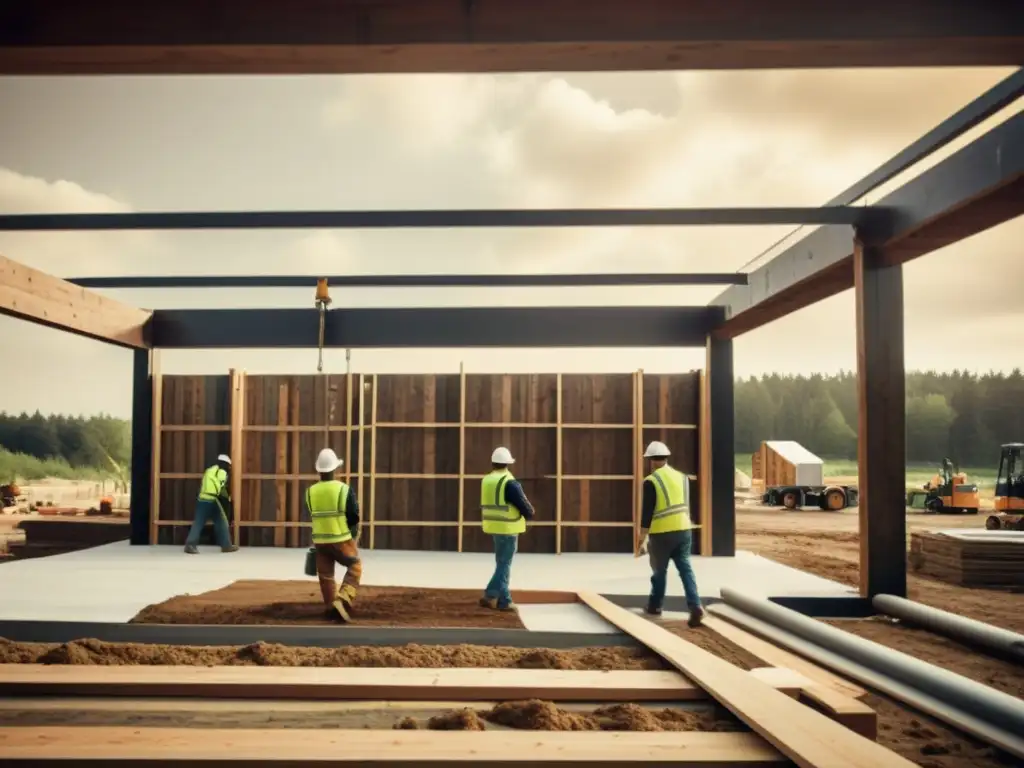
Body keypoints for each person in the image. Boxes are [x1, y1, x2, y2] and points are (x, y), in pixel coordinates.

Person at [636, 441, 704, 627]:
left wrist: (641, 540)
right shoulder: (683, 478)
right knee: (686, 570)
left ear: (650, 460)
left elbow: (646, 514)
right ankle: (695, 605)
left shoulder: (651, 481)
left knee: (659, 572)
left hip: (662, 534)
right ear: (666, 457)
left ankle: (655, 606)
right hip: (684, 530)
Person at [306, 448, 362, 623]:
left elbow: (312, 513)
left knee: (326, 575)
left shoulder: (310, 491)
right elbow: (353, 515)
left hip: (320, 541)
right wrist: (352, 537)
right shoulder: (343, 489)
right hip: (340, 538)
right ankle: (344, 598)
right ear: (334, 469)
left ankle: (331, 608)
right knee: (355, 566)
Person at [479, 446, 534, 612]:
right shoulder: (509, 482)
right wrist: (530, 513)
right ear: (508, 464)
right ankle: (498, 598)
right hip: (508, 527)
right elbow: (525, 507)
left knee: (501, 563)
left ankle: (496, 598)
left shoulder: (487, 480)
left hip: (493, 526)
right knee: (504, 564)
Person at [184, 454, 238, 554]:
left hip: (202, 499)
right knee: (222, 522)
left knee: (199, 522)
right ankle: (226, 546)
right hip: (213, 499)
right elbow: (222, 489)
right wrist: (228, 500)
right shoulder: (222, 472)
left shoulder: (209, 470)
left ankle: (190, 545)